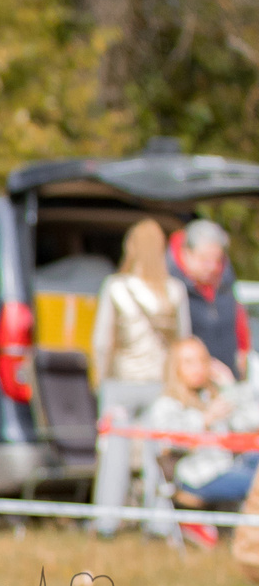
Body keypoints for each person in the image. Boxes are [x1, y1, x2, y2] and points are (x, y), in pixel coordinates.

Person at [90, 220, 191, 536]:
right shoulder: (174, 291)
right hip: (160, 385)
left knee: (114, 454)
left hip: (121, 383)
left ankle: (106, 522)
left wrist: (99, 379)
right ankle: (159, 522)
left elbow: (102, 342)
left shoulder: (117, 286)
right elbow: (183, 341)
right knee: (157, 457)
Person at [141, 336, 259, 519]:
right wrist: (206, 418)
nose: (198, 368)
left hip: (230, 466)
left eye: (202, 360)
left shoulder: (211, 396)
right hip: (198, 477)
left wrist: (229, 386)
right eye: (188, 362)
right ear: (175, 368)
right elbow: (171, 442)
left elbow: (252, 420)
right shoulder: (166, 404)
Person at [168, 219, 248, 380]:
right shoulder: (171, 285)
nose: (212, 267)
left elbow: (238, 315)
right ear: (186, 253)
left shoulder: (224, 279)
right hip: (191, 379)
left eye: (217, 260)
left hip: (228, 372)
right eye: (204, 260)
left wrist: (243, 348)